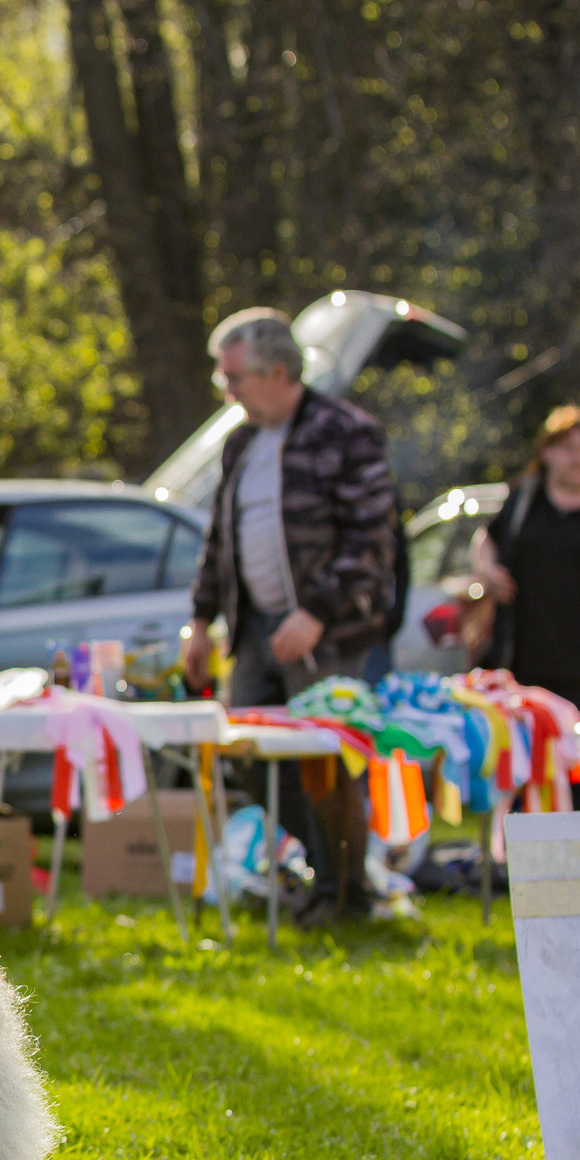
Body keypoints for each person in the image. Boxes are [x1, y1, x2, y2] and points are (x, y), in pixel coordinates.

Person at [182, 307, 398, 916]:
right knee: (247, 757)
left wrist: (316, 614)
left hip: (328, 634)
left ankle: (345, 896)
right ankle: (330, 873)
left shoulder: (346, 432)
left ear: (278, 371)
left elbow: (372, 540)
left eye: (234, 378)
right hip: (254, 631)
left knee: (327, 764)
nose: (227, 391)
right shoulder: (241, 442)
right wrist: (200, 622)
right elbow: (218, 543)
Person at [474, 405, 580, 807]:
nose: (578, 458)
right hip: (526, 669)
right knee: (529, 782)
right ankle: (523, 849)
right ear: (546, 453)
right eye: (568, 448)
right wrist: (487, 571)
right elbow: (485, 539)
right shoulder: (524, 501)